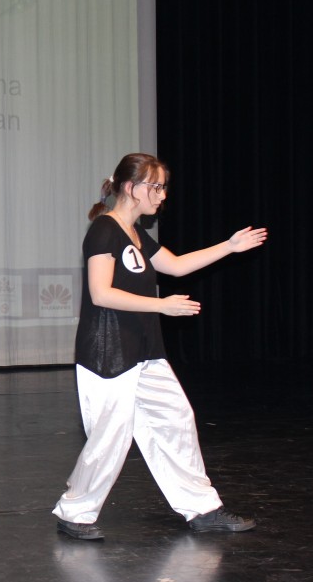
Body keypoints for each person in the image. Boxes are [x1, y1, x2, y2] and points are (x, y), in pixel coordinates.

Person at [53, 153, 268, 540]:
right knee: (110, 437)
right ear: (131, 188)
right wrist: (161, 305)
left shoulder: (136, 233)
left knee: (176, 419)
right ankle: (74, 513)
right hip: (107, 353)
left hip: (145, 351)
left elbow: (177, 265)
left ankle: (202, 508)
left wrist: (230, 245)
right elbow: (101, 294)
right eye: (156, 186)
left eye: (163, 187)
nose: (162, 195)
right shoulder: (103, 230)